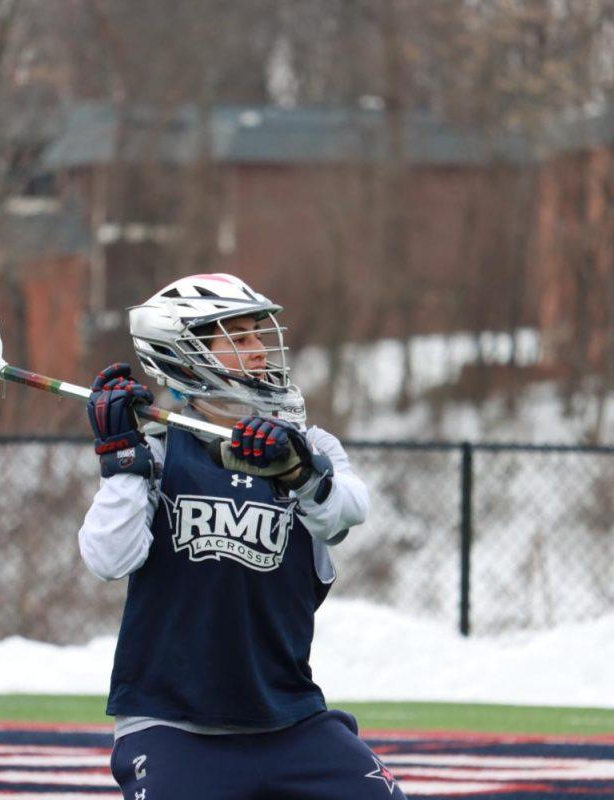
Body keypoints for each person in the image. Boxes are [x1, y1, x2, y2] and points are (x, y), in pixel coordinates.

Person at [78, 273, 405, 799]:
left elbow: (346, 512)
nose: (259, 350)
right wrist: (120, 463)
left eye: (259, 334)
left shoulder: (308, 446)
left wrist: (298, 472)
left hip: (289, 721)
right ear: (185, 354)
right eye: (239, 337)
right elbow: (107, 558)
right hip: (172, 727)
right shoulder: (156, 450)